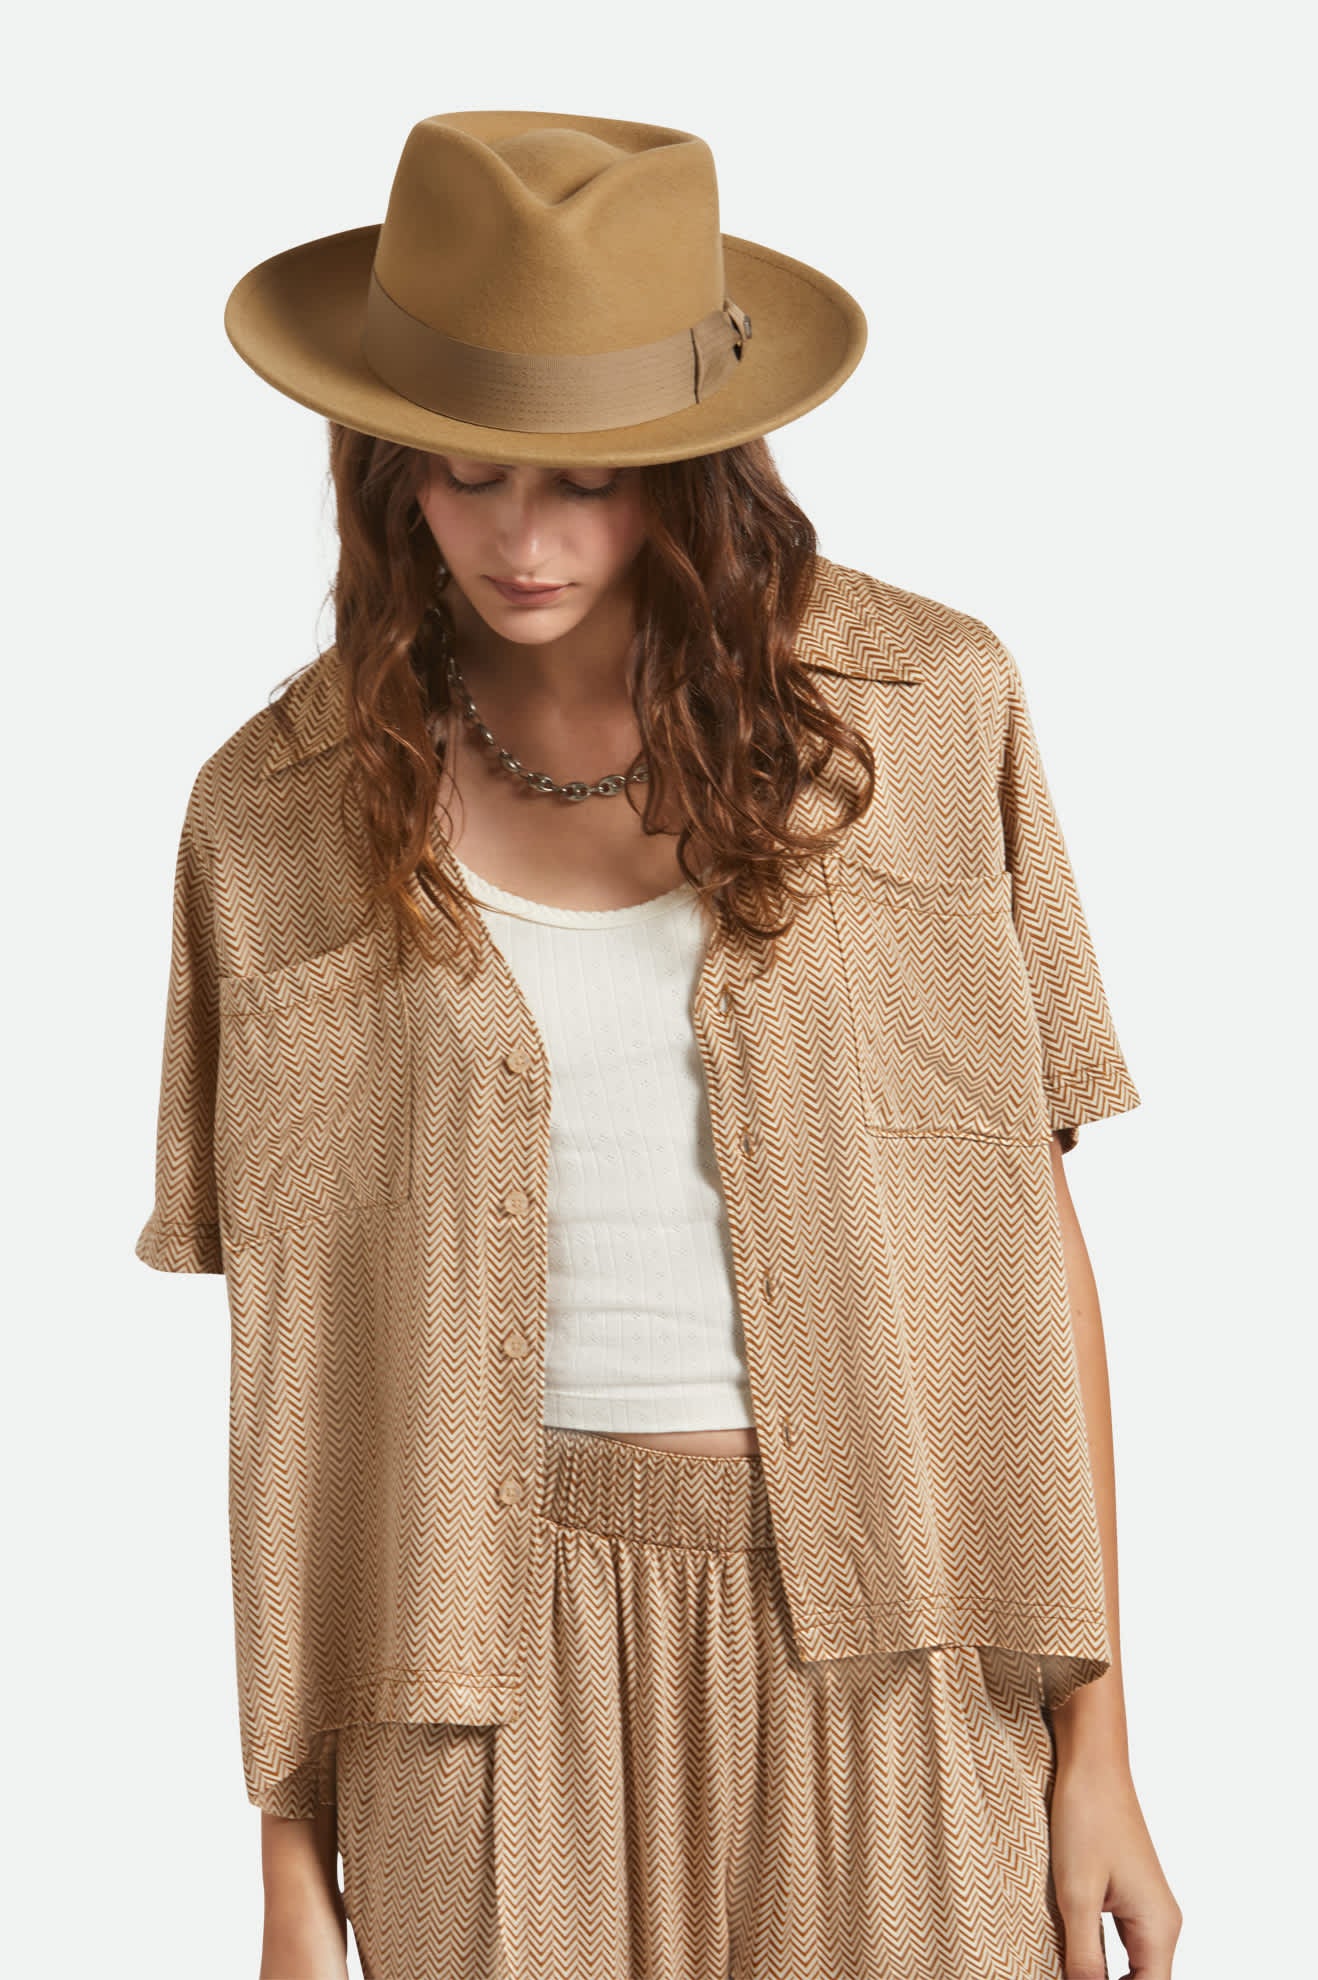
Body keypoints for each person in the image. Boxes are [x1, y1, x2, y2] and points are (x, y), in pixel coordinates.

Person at [135, 109, 1182, 1980]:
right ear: (386, 463)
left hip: (897, 1623)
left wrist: (1099, 1748)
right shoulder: (269, 817)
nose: (522, 538)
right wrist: (287, 1859)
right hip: (469, 1671)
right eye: (466, 472)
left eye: (586, 479)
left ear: (693, 469)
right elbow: (290, 1364)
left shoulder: (928, 713)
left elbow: (1026, 1247)